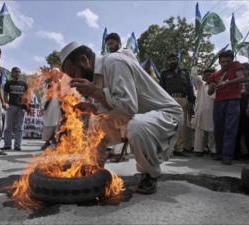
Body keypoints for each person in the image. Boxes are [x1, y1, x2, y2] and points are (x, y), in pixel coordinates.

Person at [60, 42, 182, 194]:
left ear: (84, 60)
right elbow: (114, 106)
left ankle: (150, 174)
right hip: (137, 115)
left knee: (137, 127)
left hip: (166, 114)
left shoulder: (114, 62)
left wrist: (96, 93)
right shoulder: (97, 77)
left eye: (74, 73)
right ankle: (95, 168)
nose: (74, 79)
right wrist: (94, 108)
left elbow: (128, 108)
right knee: (95, 122)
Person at [208, 50, 245, 165]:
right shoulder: (214, 74)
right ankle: (219, 153)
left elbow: (242, 78)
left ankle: (227, 155)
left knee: (230, 128)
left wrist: (227, 83)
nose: (225, 63)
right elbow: (209, 92)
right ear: (219, 62)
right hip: (218, 102)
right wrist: (212, 87)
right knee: (218, 129)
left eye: (228, 61)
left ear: (232, 60)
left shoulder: (236, 65)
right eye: (223, 61)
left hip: (233, 101)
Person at [160, 53, 196, 155]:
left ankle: (179, 148)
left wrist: (191, 101)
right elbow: (161, 88)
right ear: (168, 62)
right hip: (169, 100)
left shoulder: (185, 73)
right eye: (170, 60)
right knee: (169, 125)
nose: (172, 61)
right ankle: (168, 149)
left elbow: (189, 87)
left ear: (178, 60)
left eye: (174, 59)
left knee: (182, 125)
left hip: (183, 99)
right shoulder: (164, 73)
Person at [1, 67, 28, 151]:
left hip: (21, 108)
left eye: (19, 72)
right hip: (11, 106)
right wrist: (5, 103)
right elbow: (5, 94)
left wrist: (27, 106)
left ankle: (17, 145)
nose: (18, 73)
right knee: (9, 126)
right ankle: (7, 145)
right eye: (16, 72)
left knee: (19, 127)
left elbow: (27, 95)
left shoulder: (24, 84)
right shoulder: (8, 83)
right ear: (12, 73)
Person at [191, 67, 216, 157]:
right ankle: (198, 150)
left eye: (211, 75)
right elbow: (194, 76)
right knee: (199, 132)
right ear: (204, 76)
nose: (209, 77)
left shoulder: (217, 85)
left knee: (212, 133)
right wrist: (195, 67)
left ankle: (213, 151)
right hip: (201, 113)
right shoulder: (201, 85)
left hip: (213, 112)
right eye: (207, 75)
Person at [235, 63, 249, 159]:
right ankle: (236, 153)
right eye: (241, 69)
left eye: (245, 69)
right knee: (236, 130)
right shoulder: (236, 80)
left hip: (248, 104)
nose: (244, 71)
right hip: (237, 103)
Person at [41, 69, 63, 150]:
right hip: (49, 106)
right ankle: (47, 142)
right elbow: (45, 94)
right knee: (47, 123)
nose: (54, 74)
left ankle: (55, 142)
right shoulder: (48, 83)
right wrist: (42, 106)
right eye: (53, 72)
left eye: (56, 72)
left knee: (58, 123)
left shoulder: (62, 82)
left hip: (58, 106)